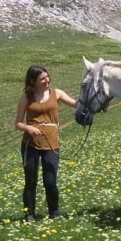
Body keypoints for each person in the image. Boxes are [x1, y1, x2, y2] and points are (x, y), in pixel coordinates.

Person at [15, 65, 77, 222]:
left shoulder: (57, 93)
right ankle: (29, 214)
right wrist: (28, 128)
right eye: (42, 78)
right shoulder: (25, 98)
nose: (46, 80)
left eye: (47, 77)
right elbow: (18, 123)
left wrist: (91, 95)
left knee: (50, 180)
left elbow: (76, 103)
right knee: (30, 181)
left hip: (51, 143)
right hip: (31, 144)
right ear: (33, 81)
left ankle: (54, 212)